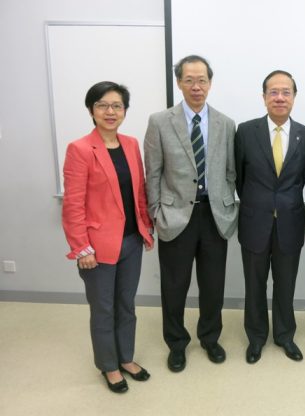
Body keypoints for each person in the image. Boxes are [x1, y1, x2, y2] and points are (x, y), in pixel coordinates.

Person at [144, 55, 237, 372]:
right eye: (189, 80)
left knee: (213, 285)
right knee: (174, 286)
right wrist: (156, 212)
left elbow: (229, 171)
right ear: (179, 82)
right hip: (175, 217)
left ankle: (210, 338)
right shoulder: (160, 121)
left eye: (202, 80)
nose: (196, 86)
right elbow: (152, 173)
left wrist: (227, 204)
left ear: (210, 83)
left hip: (214, 216)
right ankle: (177, 344)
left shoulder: (226, 123)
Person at [62, 81, 154, 393]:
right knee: (103, 308)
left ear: (125, 111)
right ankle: (109, 366)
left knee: (126, 305)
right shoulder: (80, 149)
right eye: (102, 105)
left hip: (131, 241)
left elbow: (138, 190)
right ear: (91, 110)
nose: (110, 111)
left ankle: (126, 357)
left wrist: (146, 226)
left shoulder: (130, 144)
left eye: (117, 106)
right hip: (97, 247)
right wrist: (80, 247)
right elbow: (73, 204)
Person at [235, 70, 305, 364]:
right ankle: (256, 338)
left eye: (286, 92)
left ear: (294, 97)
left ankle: (284, 336)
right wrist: (259, 203)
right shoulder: (245, 131)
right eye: (273, 92)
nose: (279, 97)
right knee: (254, 284)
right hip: (254, 220)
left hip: (290, 223)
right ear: (264, 97)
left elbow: (304, 179)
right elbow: (239, 178)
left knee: (286, 284)